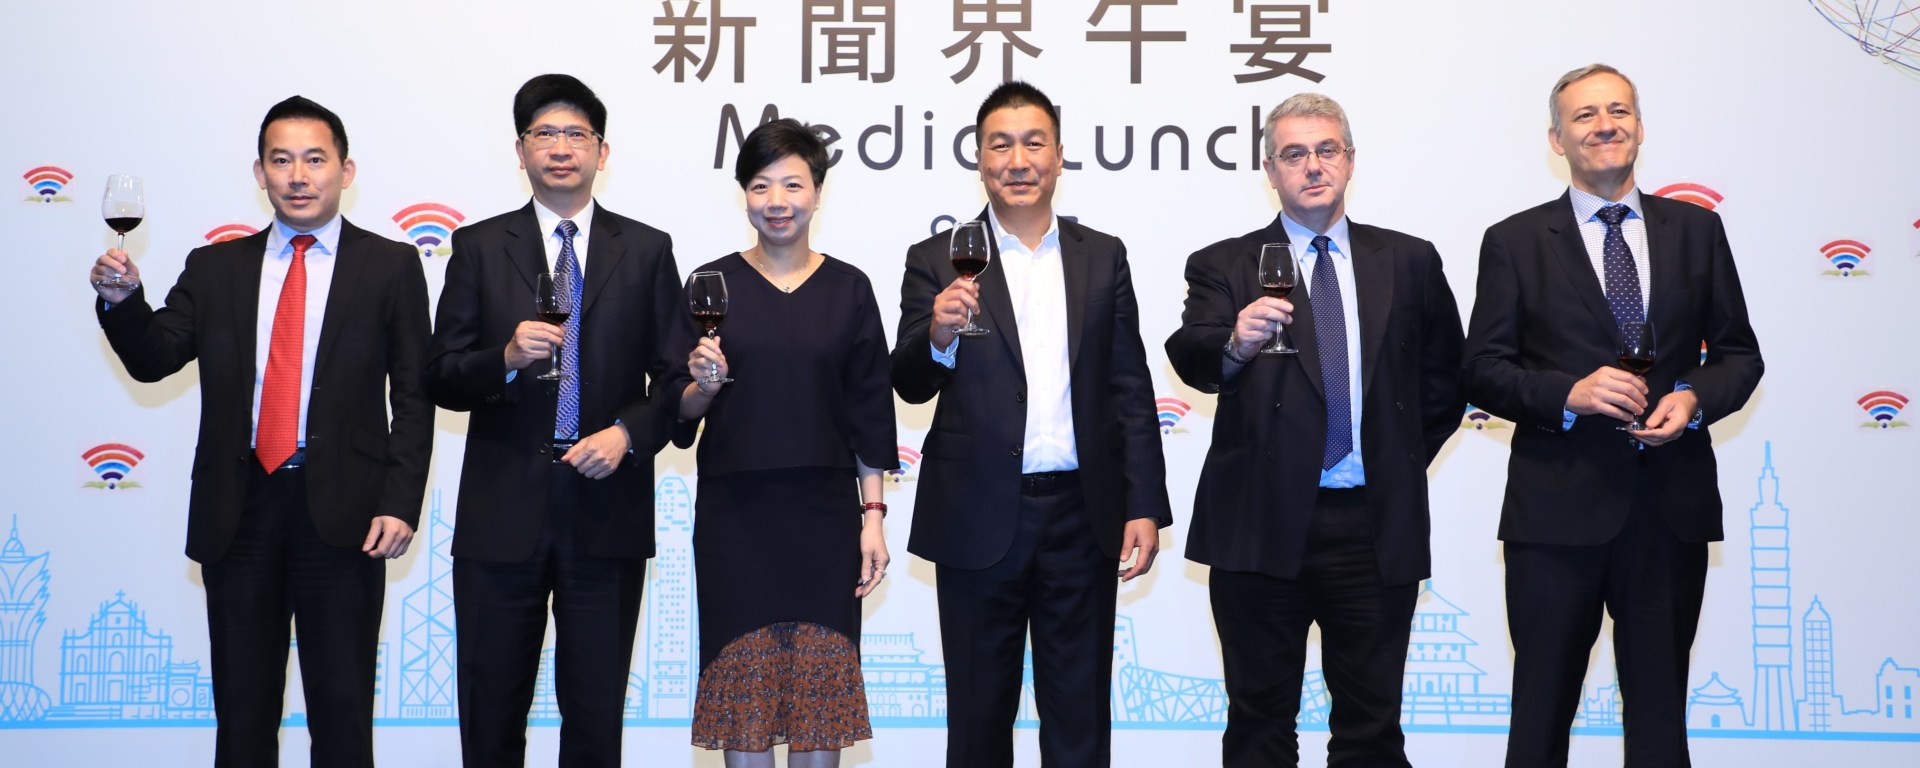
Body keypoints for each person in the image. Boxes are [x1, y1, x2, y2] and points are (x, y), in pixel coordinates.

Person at [89, 96, 430, 767]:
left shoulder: (390, 265)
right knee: (243, 718)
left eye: (315, 160)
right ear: (259, 173)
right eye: (281, 161)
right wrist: (122, 301)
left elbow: (414, 396)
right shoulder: (215, 267)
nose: (298, 176)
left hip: (347, 515)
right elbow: (155, 358)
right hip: (238, 510)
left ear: (346, 170)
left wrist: (400, 501)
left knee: (342, 717)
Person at [1461, 63, 1763, 767]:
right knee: (1540, 718)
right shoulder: (1515, 241)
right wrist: (1567, 395)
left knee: (1659, 722)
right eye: (1586, 115)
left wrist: (1693, 399)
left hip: (1670, 509)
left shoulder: (1697, 230)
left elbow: (1739, 356)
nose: (1605, 126)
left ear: (1640, 127)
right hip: (1555, 515)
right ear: (1557, 139)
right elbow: (1481, 369)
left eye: (1618, 111)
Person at [1164, 92, 1465, 767]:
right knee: (1259, 725)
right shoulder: (1224, 264)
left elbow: (1447, 381)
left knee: (1371, 730)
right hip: (1259, 522)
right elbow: (1192, 355)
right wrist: (1236, 342)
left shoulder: (1409, 260)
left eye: (1327, 150)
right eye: (1294, 154)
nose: (1313, 166)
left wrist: (1392, 460)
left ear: (1351, 160)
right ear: (1270, 170)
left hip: (1372, 525)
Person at [891, 80, 1171, 768]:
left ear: (1059, 156)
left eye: (1033, 143)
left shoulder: (1101, 255)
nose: (1018, 160)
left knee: (1079, 720)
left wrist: (1143, 503)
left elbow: (1128, 385)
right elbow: (908, 382)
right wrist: (938, 335)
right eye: (1001, 145)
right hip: (977, 514)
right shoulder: (936, 257)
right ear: (980, 159)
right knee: (978, 721)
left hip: (1083, 514)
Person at [425, 74, 680, 768]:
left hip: (607, 509)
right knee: (490, 715)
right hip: (502, 510)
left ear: (602, 151)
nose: (560, 148)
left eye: (576, 135)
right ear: (520, 150)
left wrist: (627, 435)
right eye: (544, 134)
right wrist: (504, 358)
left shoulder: (647, 250)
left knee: (595, 718)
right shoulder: (479, 247)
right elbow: (441, 375)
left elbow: (676, 380)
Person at [666, 118, 894, 768]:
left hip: (825, 522)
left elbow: (869, 413)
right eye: (761, 185)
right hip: (735, 523)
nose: (777, 201)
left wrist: (872, 516)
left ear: (817, 192)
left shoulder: (849, 288)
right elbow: (677, 408)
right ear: (744, 194)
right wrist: (702, 385)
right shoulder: (710, 285)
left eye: (793, 184)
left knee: (819, 708)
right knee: (745, 705)